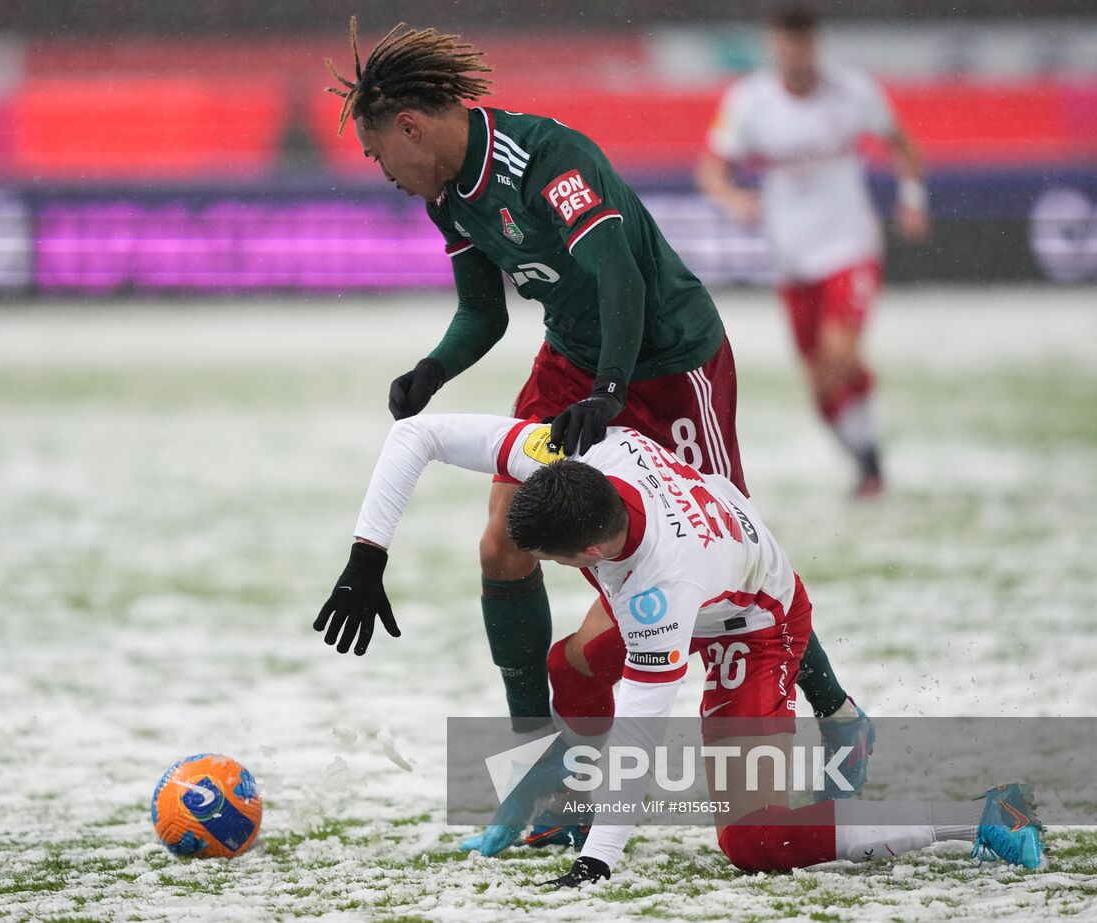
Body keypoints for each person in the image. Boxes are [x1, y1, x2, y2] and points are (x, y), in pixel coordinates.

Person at [323, 16, 872, 838]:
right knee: (501, 541)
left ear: (409, 126)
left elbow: (619, 275)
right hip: (575, 364)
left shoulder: (549, 159)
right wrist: (433, 370)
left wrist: (615, 389)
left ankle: (837, 709)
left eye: (377, 156)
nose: (384, 174)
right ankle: (542, 770)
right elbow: (482, 313)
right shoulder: (447, 199)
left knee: (735, 547)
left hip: (669, 359)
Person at [313, 412, 1046, 881]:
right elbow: (418, 434)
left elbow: (640, 729)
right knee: (567, 666)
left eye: (566, 562)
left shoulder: (658, 590)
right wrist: (366, 554)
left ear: (593, 547)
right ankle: (562, 799)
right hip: (711, 556)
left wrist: (601, 861)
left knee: (752, 841)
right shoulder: (577, 446)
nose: (565, 572)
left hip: (754, 624)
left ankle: (979, 814)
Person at [696, 4, 929, 497]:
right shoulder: (749, 100)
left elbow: (901, 141)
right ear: (775, 45)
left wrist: (912, 198)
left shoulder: (853, 90)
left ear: (814, 44)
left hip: (849, 243)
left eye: (802, 40)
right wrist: (735, 198)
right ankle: (867, 461)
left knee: (839, 352)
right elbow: (711, 168)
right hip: (790, 253)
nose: (795, 50)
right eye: (786, 40)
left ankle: (868, 459)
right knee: (820, 379)